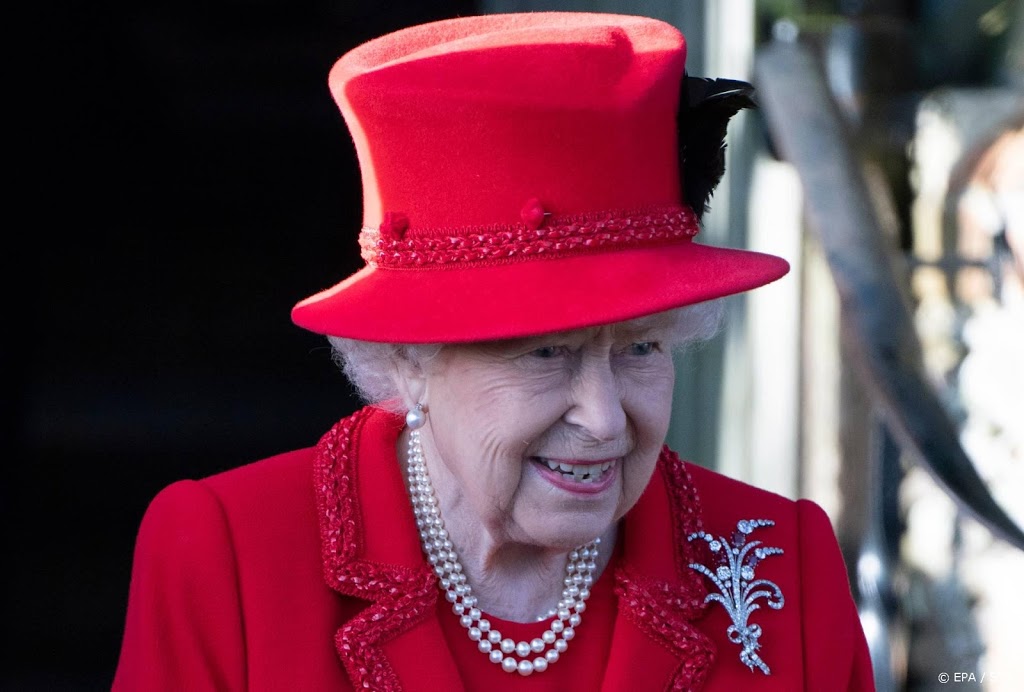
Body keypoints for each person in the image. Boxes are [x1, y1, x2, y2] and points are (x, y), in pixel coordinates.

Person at [113, 11, 875, 691]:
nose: (606, 419)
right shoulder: (228, 565)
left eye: (640, 346)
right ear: (410, 358)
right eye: (545, 355)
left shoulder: (788, 576)